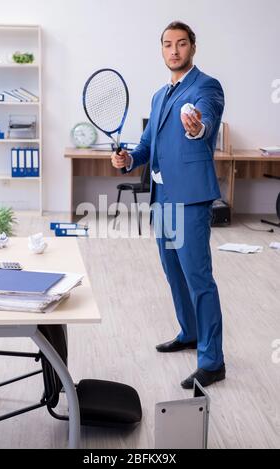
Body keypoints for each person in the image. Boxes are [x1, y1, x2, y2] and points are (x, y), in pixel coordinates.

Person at [111, 21, 225, 389]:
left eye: (180, 44)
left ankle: (213, 361)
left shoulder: (206, 86)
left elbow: (204, 120)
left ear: (193, 47)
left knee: (198, 278)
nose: (173, 50)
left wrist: (197, 128)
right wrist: (128, 159)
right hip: (163, 199)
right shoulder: (160, 95)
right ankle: (189, 333)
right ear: (162, 50)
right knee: (174, 273)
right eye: (167, 45)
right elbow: (147, 146)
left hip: (191, 197)